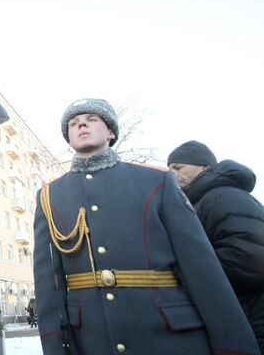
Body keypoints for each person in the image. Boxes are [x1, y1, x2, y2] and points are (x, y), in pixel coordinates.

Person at [32, 98, 259, 354]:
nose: (81, 124)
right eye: (73, 123)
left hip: (169, 336)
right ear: (69, 138)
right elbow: (47, 284)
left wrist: (233, 346)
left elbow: (201, 269)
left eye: (92, 119)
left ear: (111, 132)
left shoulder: (156, 181)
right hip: (92, 340)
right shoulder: (49, 197)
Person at [168, 140, 264, 352]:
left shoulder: (224, 196)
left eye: (178, 168)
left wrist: (183, 274)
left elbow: (250, 259)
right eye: (169, 169)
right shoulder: (202, 200)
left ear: (204, 167)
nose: (171, 174)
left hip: (253, 312)